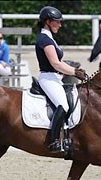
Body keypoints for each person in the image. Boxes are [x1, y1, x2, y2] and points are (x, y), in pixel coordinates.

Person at [35, 6, 88, 153]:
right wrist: (74, 72)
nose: (60, 25)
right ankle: (53, 142)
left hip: (55, 78)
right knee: (63, 105)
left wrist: (74, 70)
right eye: (57, 22)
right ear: (47, 22)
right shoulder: (44, 39)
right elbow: (55, 63)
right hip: (48, 78)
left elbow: (60, 62)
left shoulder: (50, 38)